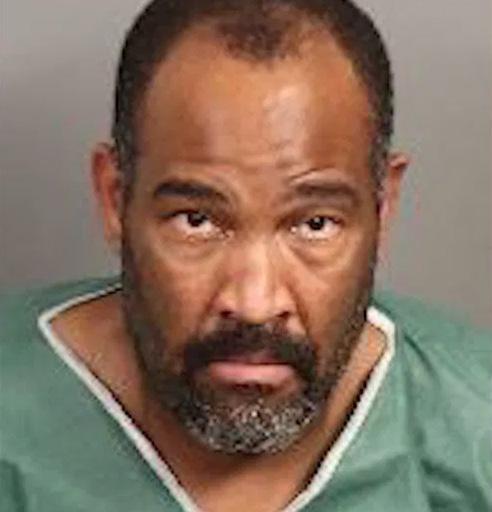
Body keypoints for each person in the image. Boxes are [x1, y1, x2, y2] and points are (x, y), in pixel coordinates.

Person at [0, 0, 490, 510]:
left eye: (314, 224)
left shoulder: (477, 431)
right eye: (197, 221)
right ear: (115, 198)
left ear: (382, 207)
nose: (255, 303)